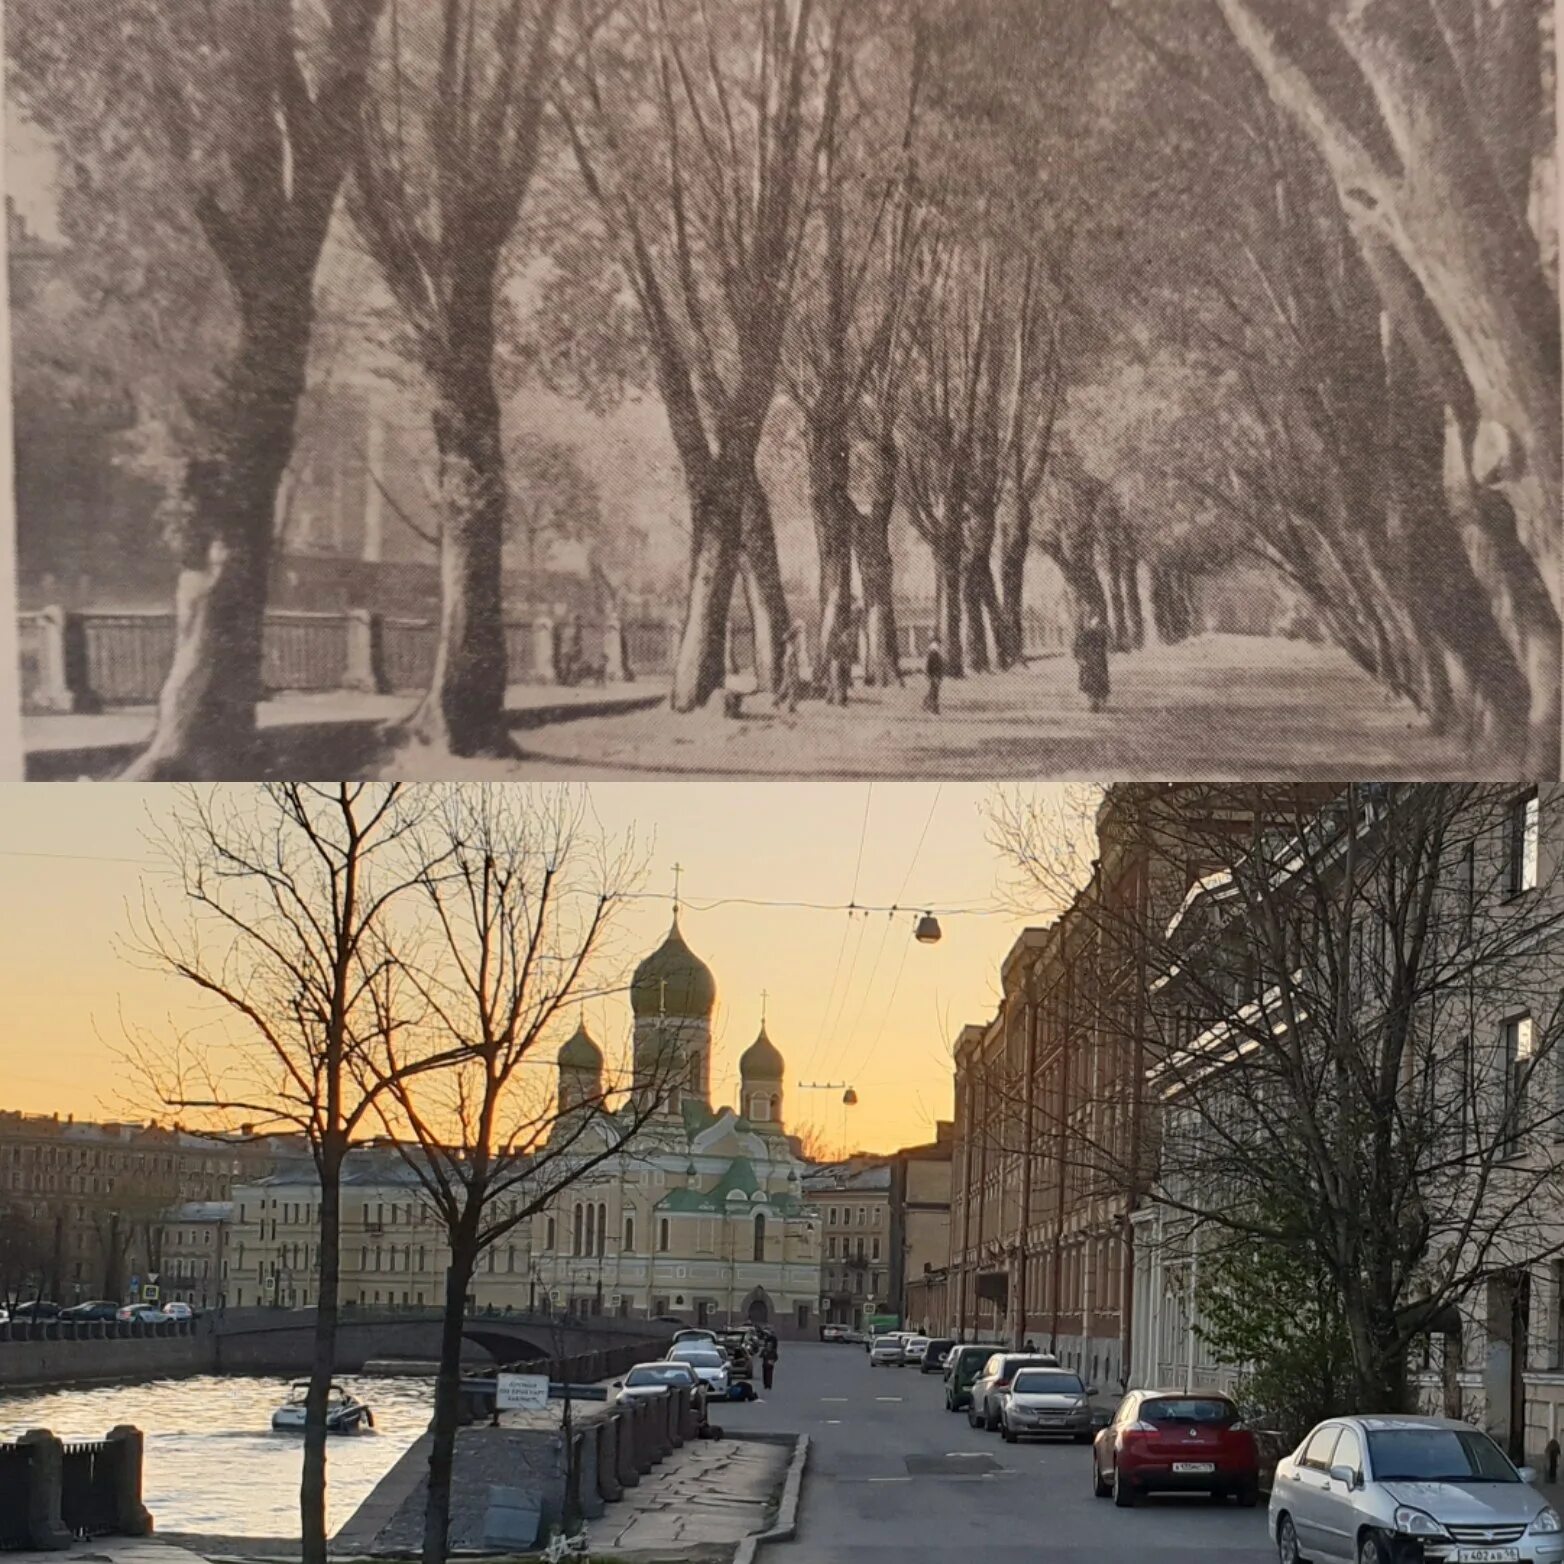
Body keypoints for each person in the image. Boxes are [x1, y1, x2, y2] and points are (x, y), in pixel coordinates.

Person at [1072, 602, 1110, 713]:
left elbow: (1104, 644)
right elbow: (1076, 647)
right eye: (1092, 619)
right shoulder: (1082, 633)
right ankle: (1093, 701)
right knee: (1089, 680)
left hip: (1098, 659)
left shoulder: (1100, 632)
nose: (1095, 621)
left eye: (1096, 620)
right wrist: (1079, 658)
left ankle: (1098, 699)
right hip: (1088, 659)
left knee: (1099, 680)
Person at [775, 624, 803, 714]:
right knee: (792, 684)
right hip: (790, 663)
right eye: (799, 630)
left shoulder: (792, 641)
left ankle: (777, 701)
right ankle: (791, 706)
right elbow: (791, 655)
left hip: (789, 662)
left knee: (786, 683)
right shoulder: (791, 641)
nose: (800, 632)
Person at [923, 636, 945, 714]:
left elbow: (929, 665)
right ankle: (934, 708)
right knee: (934, 691)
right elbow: (932, 665)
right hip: (935, 674)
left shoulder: (934, 652)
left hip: (935, 674)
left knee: (933, 690)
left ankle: (927, 705)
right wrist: (932, 674)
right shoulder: (934, 652)